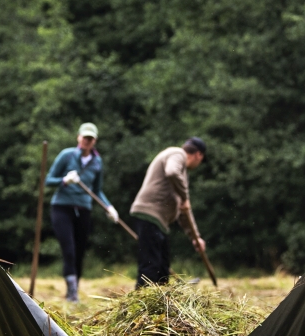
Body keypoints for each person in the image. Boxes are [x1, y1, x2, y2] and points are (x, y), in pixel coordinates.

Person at [45, 123, 118, 302]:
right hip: (62, 208)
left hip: (84, 209)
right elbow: (48, 180)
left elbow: (97, 190)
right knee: (69, 249)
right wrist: (65, 180)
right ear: (78, 137)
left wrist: (108, 207)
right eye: (84, 137)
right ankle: (72, 294)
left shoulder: (97, 162)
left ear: (94, 141)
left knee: (79, 251)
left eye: (90, 138)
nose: (87, 141)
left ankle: (74, 289)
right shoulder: (67, 155)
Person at [129, 137, 207, 288]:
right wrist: (185, 196)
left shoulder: (181, 175)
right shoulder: (177, 153)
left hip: (159, 222)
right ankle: (139, 305)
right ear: (199, 155)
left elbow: (183, 210)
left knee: (162, 270)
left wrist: (195, 237)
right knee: (150, 267)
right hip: (149, 215)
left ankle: (161, 308)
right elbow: (171, 172)